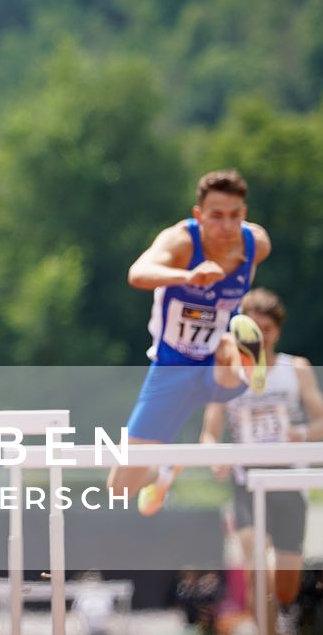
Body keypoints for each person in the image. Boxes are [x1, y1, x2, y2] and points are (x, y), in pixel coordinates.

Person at [115, 168, 272, 515]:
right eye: (216, 216)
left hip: (217, 365)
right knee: (119, 487)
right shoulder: (181, 242)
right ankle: (164, 469)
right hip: (171, 368)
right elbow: (138, 273)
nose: (226, 226)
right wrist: (188, 275)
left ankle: (245, 363)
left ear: (244, 214)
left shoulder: (255, 244)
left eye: (235, 216)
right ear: (198, 215)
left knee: (227, 340)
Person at [201, 288, 323, 635]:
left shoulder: (296, 369)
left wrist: (302, 434)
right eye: (250, 329)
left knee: (287, 586)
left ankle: (285, 629)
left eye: (266, 329)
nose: (258, 337)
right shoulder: (227, 371)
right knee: (255, 564)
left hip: (290, 479)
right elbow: (209, 431)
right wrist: (216, 455)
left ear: (276, 332)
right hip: (247, 481)